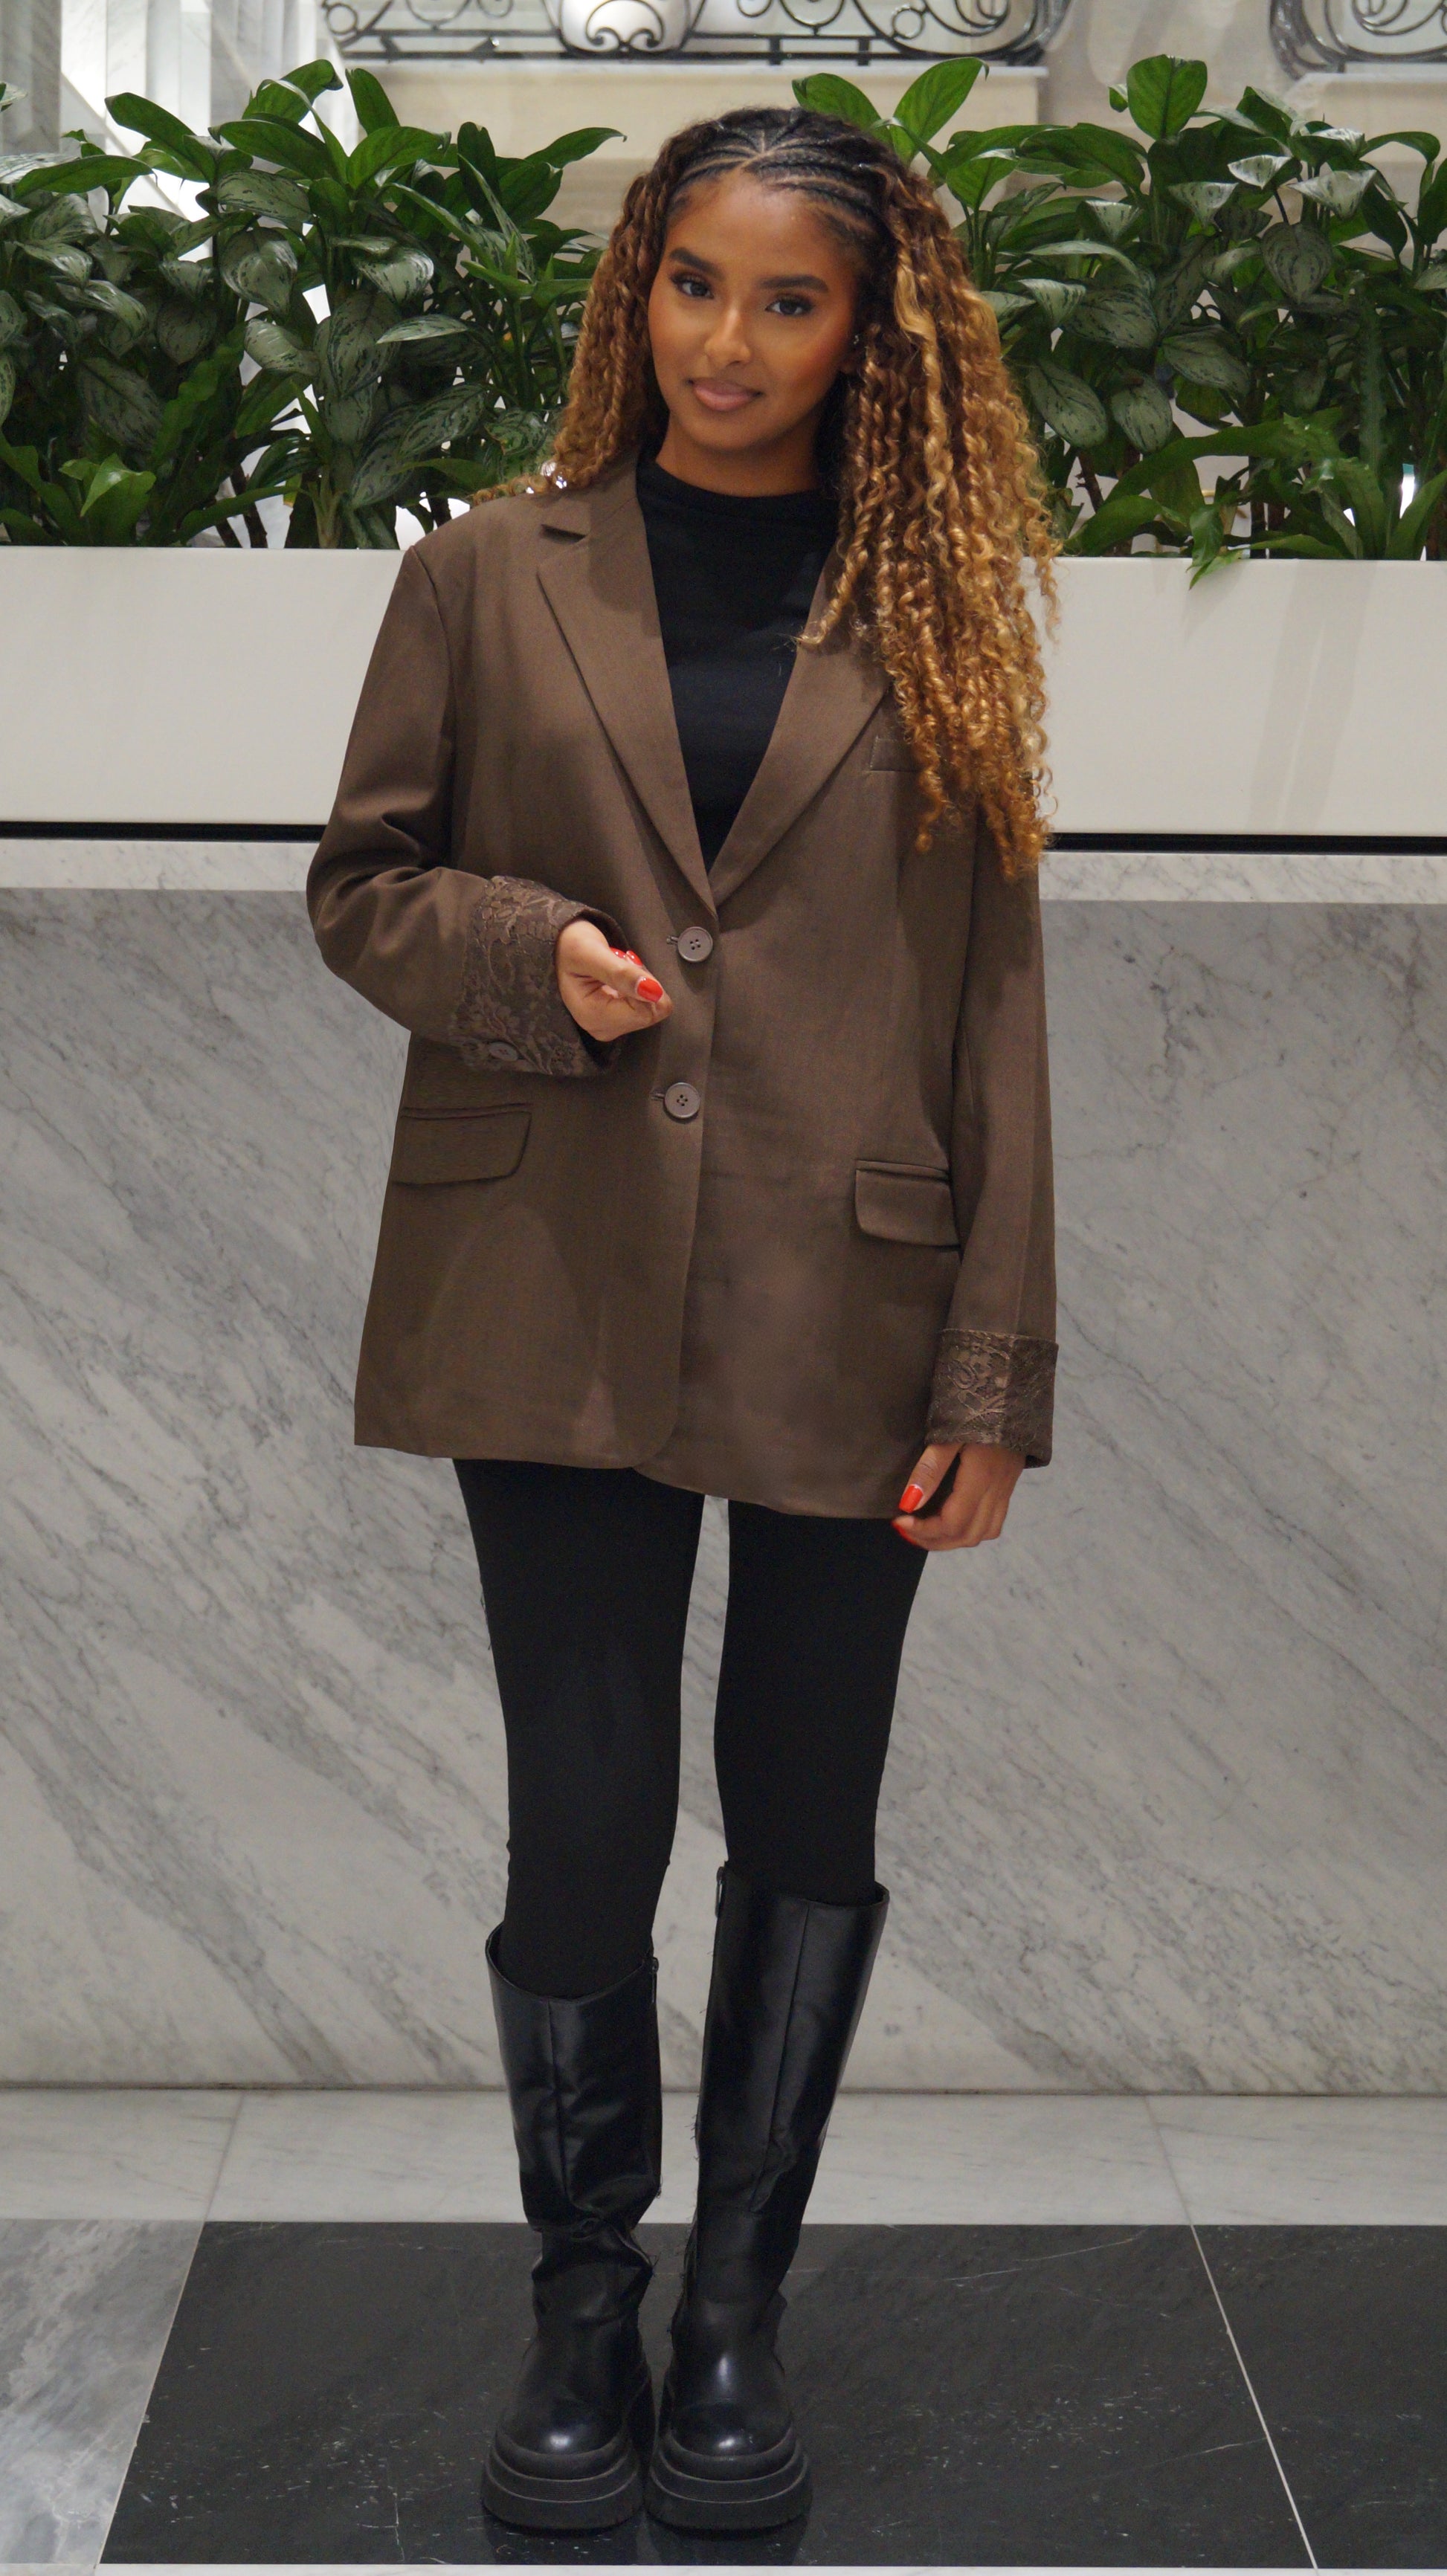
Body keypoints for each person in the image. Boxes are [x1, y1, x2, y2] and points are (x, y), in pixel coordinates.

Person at [307, 102, 1057, 2537]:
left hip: (854, 1290)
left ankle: (733, 2309)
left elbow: (992, 1003)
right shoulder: (483, 573)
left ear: (871, 335)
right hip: (547, 1273)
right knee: (586, 1814)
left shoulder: (934, 605)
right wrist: (527, 952)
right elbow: (362, 881)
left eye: (787, 300)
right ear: (636, 284)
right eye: (692, 283)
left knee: (809, 1810)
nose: (726, 341)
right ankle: (579, 2305)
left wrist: (994, 1372)